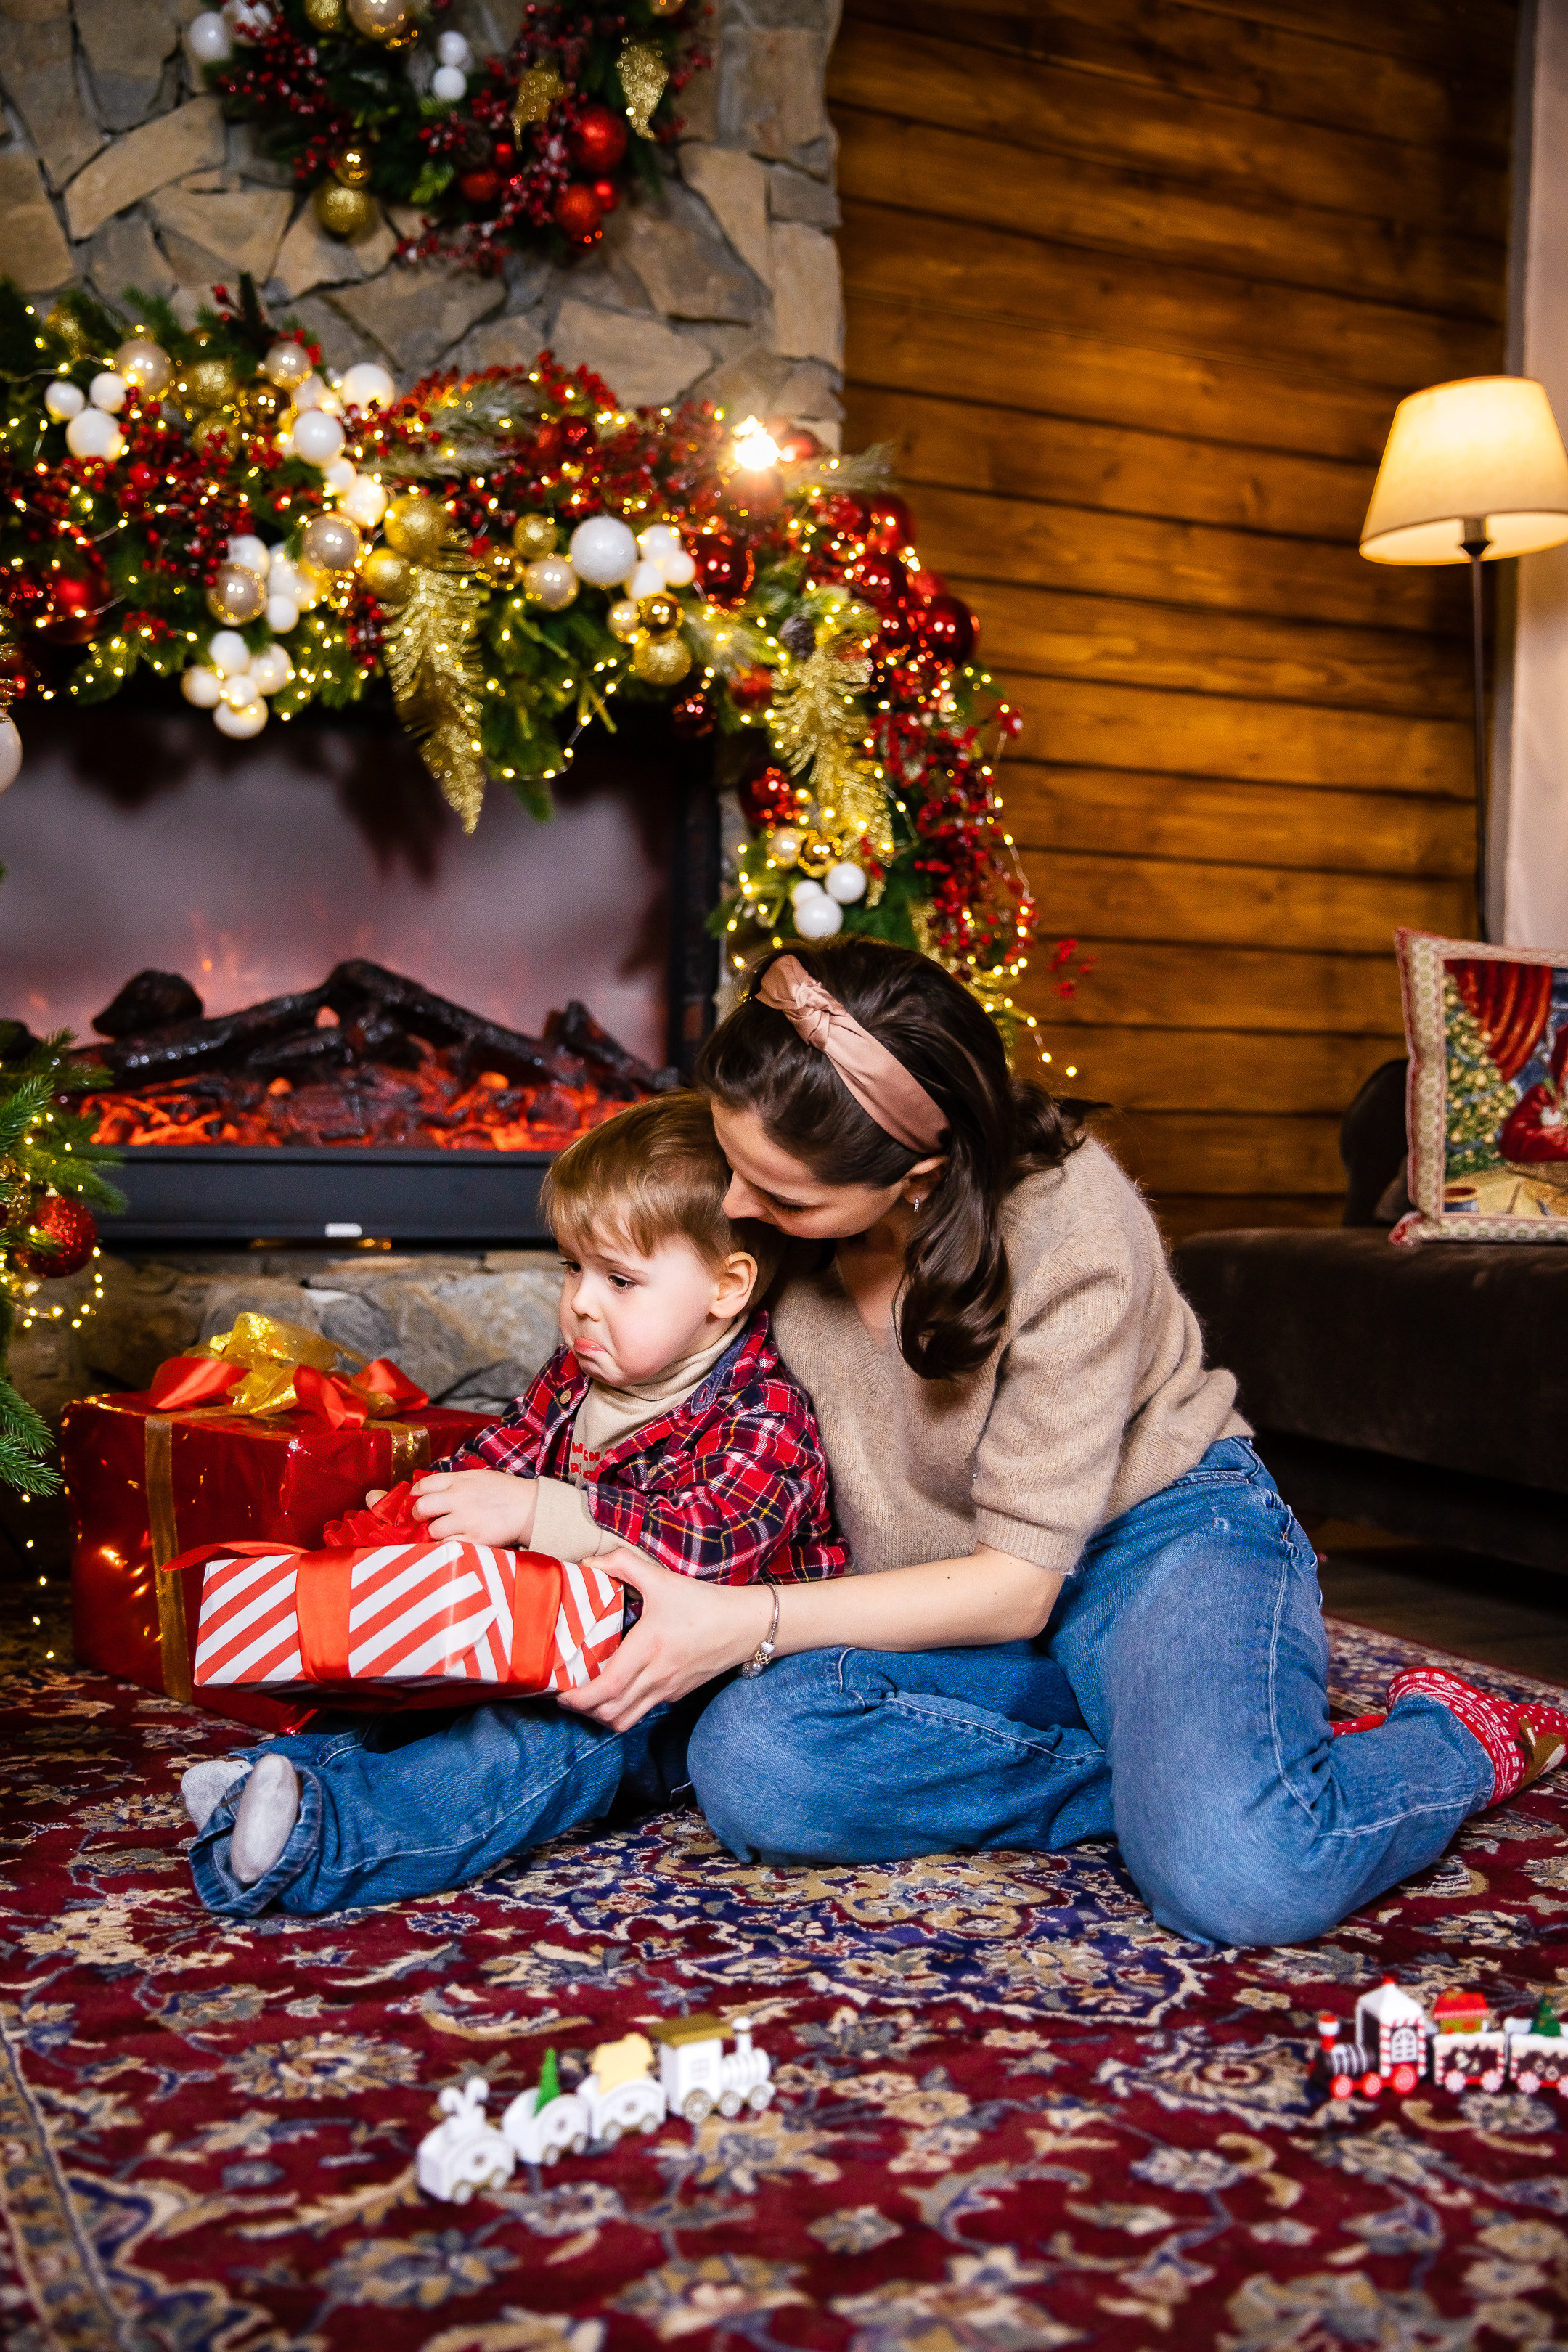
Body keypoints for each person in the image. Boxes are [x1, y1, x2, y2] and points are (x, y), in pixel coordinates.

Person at [547, 942, 1568, 1949]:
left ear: (921, 1172)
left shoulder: (1071, 1228)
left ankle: (1452, 1739)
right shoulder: (766, 1222)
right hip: (950, 1596)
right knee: (759, 1764)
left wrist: (744, 1622)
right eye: (732, 1167)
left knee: (1247, 1876)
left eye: (785, 1198)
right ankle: (1193, 1755)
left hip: (1156, 1535)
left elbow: (1019, 1584)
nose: (735, 1209)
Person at [180, 1092, 848, 1917]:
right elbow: (496, 1459)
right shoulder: (578, 1376)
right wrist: (417, 1515)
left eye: (620, 1279)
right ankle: (267, 1787)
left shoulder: (764, 1412)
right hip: (563, 1638)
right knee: (433, 1687)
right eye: (572, 1267)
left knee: (525, 1743)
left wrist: (540, 1512)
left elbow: (712, 1546)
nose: (581, 1303)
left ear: (726, 1286)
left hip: (684, 1688)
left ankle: (321, 1844)